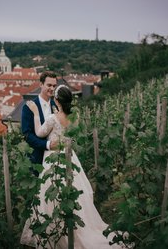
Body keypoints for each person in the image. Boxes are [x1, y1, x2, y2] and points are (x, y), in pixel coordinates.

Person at [20, 85, 131, 249]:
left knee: (49, 194)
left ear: (57, 100)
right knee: (72, 192)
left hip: (54, 158)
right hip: (69, 157)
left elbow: (39, 133)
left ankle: (52, 232)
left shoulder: (52, 118)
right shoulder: (74, 118)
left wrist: (36, 113)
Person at [21, 71, 59, 171]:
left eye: (54, 86)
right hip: (36, 159)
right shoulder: (29, 106)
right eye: (49, 85)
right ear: (41, 84)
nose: (52, 89)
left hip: (55, 158)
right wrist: (47, 145)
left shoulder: (57, 106)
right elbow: (27, 134)